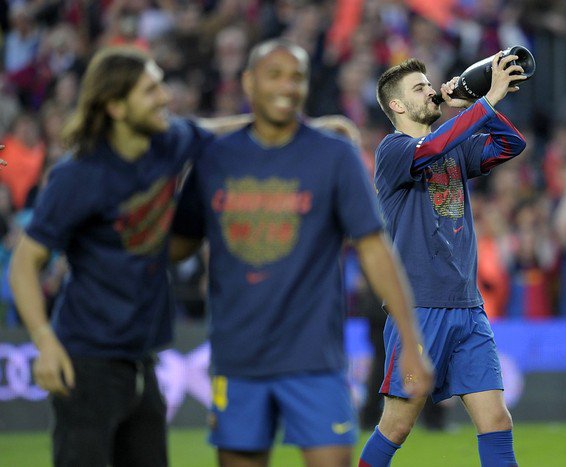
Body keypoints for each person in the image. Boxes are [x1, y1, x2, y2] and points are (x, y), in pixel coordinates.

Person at [170, 39, 434, 467]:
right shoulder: (216, 159)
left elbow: (374, 248)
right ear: (248, 82)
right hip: (238, 355)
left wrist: (409, 337)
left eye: (296, 77)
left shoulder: (334, 155)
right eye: (274, 75)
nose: (286, 86)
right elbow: (176, 245)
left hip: (314, 356)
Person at [7, 46, 251, 467]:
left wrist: (308, 132)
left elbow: (217, 130)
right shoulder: (77, 175)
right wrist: (45, 342)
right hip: (87, 363)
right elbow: (24, 263)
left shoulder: (168, 142)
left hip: (142, 358)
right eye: (150, 90)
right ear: (116, 107)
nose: (165, 97)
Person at [358, 53, 528, 467]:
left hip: (468, 306)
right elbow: (431, 147)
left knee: (497, 420)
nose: (431, 91)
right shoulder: (393, 151)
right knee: (397, 426)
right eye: (419, 88)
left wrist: (473, 106)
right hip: (420, 307)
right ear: (397, 105)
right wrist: (486, 102)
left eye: (427, 83)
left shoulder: (456, 149)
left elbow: (512, 144)